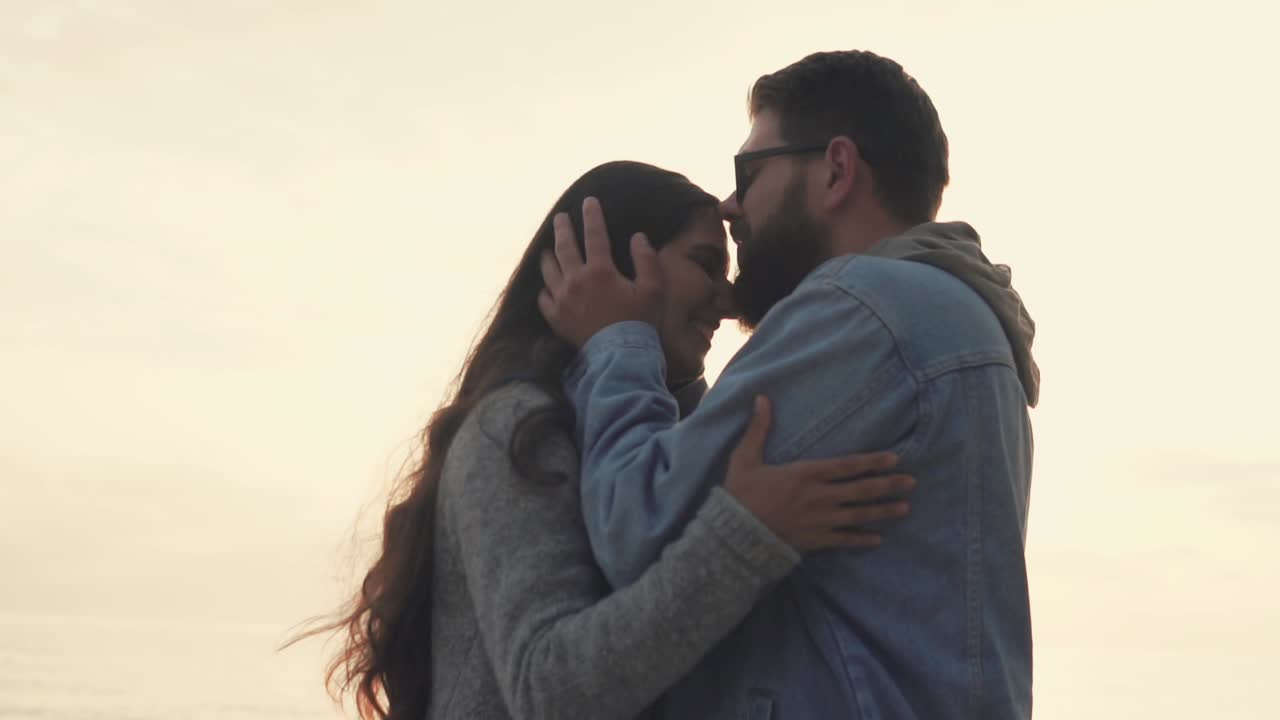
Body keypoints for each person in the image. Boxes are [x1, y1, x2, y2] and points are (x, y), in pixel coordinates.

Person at [307, 161, 917, 720]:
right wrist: (748, 535)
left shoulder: (650, 429)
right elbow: (550, 690)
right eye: (705, 264)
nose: (729, 299)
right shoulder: (516, 429)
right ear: (617, 262)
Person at [538, 52, 1040, 719]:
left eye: (749, 173)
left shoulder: (864, 308)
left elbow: (635, 524)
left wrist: (614, 341)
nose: (731, 205)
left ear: (836, 170)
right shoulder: (958, 322)